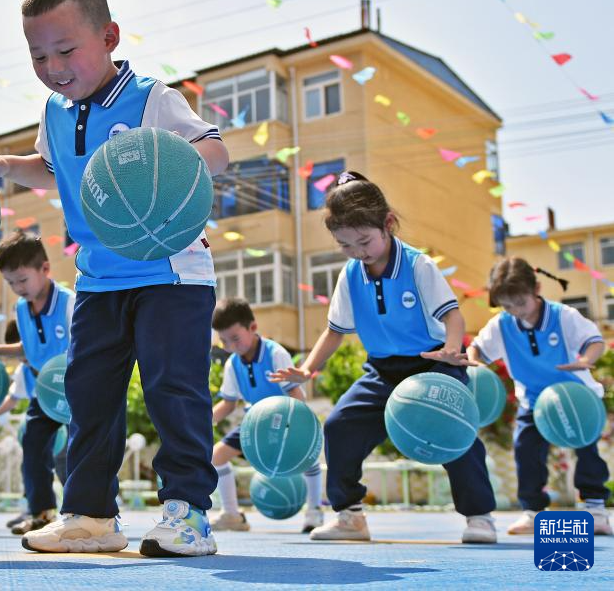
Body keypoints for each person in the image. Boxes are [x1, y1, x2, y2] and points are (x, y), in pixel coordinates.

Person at [0, 0, 229, 556]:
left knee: (172, 390)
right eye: (38, 55)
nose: (53, 67)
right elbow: (51, 170)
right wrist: (3, 164)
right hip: (99, 277)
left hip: (170, 271)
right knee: (88, 392)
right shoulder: (55, 110)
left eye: (66, 50)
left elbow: (216, 151)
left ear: (109, 38)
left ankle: (188, 513)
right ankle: (92, 516)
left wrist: (162, 163)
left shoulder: (151, 98)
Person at [271, 172, 497, 544]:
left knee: (456, 432)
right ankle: (350, 517)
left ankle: (479, 517)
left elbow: (452, 315)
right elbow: (335, 331)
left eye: (364, 241)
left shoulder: (418, 265)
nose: (359, 251)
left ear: (387, 224)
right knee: (340, 425)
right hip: (383, 371)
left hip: (433, 363)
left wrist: (453, 349)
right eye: (346, 245)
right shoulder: (350, 275)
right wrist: (308, 369)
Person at [467, 258, 610, 535]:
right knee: (526, 452)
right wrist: (477, 367)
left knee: (587, 450)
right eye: (507, 306)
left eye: (520, 303)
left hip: (575, 397)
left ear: (537, 289)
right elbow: (477, 349)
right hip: (534, 401)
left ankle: (595, 509)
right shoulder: (501, 325)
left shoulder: (563, 316)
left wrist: (586, 360)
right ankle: (533, 511)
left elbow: (594, 341)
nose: (516, 311)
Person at [0, 232, 74, 536]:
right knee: (32, 443)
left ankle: (89, 511)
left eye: (22, 280)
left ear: (45, 268)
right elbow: (30, 351)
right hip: (45, 393)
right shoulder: (20, 309)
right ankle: (41, 511)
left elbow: (87, 347)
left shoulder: (70, 302)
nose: (17, 288)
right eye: (10, 283)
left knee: (77, 451)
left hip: (74, 391)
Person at [210, 298, 324, 533]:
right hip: (254, 424)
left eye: (235, 338)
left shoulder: (275, 354)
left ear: (252, 328)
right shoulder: (232, 364)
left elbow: (295, 394)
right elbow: (229, 404)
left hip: (287, 420)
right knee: (216, 456)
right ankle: (231, 514)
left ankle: (314, 511)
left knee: (310, 459)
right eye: (224, 341)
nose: (230, 345)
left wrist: (294, 429)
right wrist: (204, 420)